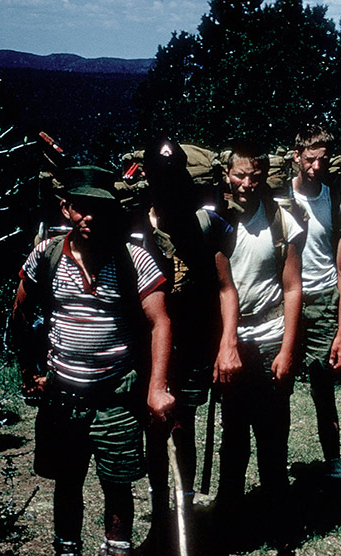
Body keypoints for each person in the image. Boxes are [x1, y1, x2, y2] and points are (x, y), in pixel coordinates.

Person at [10, 166, 172, 556]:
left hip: (117, 392)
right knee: (67, 480)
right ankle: (67, 549)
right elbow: (20, 309)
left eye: (98, 208)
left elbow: (160, 322)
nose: (89, 217)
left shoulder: (133, 258)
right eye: (81, 207)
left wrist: (156, 388)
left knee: (117, 482)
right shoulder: (45, 255)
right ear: (66, 208)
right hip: (63, 392)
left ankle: (117, 549)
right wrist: (29, 368)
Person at [139, 137, 242, 553]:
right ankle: (160, 514)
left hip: (196, 343)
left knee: (183, 427)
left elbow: (225, 288)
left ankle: (183, 515)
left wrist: (226, 343)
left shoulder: (205, 224)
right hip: (149, 345)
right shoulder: (135, 226)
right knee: (154, 427)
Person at [215, 143, 304, 548]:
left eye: (255, 176)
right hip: (229, 341)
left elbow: (292, 287)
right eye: (239, 176)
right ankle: (229, 522)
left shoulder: (281, 221)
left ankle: (279, 523)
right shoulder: (215, 219)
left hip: (269, 337)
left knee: (272, 435)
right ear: (226, 175)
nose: (247, 184)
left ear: (265, 176)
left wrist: (287, 349)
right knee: (232, 435)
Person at [289, 125, 341, 480]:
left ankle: (334, 462)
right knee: (278, 380)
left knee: (323, 385)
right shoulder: (281, 199)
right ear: (297, 156)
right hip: (287, 299)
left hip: (324, 296)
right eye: (309, 159)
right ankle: (274, 464)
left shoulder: (334, 200)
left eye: (322, 160)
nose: (315, 167)